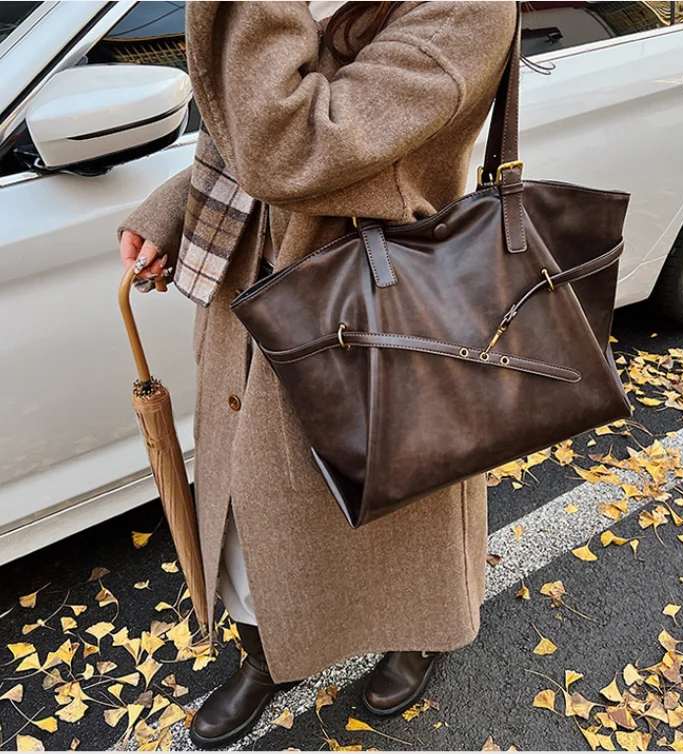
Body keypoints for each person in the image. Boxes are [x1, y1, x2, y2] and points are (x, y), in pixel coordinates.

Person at [118, 1, 517, 748]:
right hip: (256, 293)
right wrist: (176, 206)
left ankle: (419, 630)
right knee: (253, 507)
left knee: (401, 500)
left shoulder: (468, 9)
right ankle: (273, 651)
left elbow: (292, 145)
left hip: (380, 307)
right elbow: (243, 125)